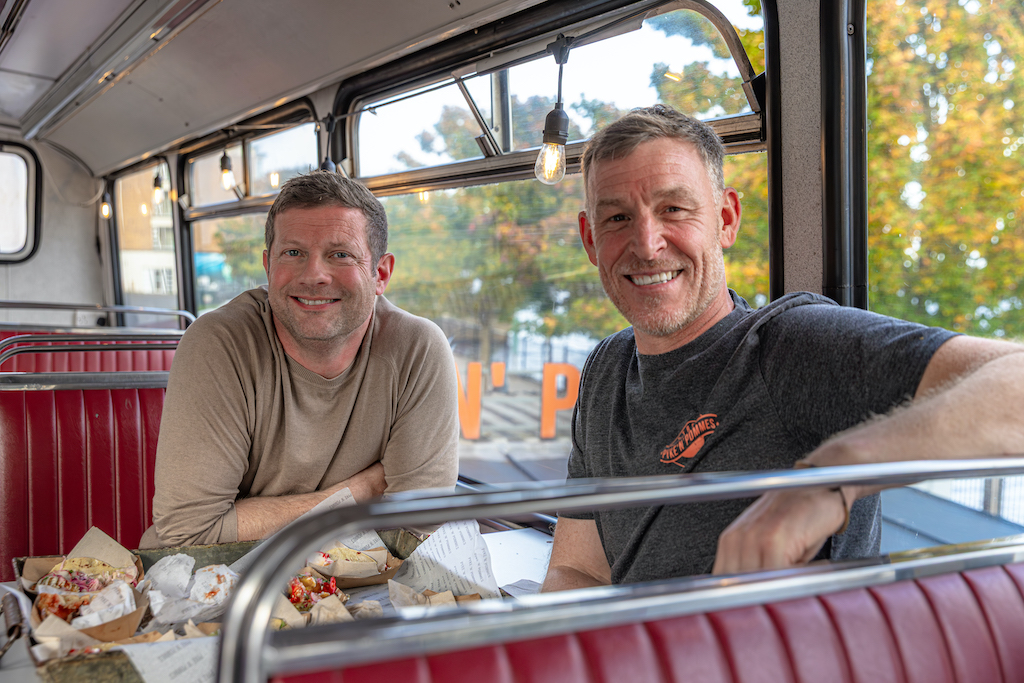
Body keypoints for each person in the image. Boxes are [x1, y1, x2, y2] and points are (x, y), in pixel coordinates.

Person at [541, 105, 1024, 590]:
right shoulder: (606, 369)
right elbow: (578, 568)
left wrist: (832, 478)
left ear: (726, 219)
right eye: (619, 217)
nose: (646, 244)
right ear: (589, 240)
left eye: (673, 209)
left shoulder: (790, 347)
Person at [140, 171, 459, 548]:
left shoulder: (417, 349)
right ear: (268, 266)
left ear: (380, 273)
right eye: (294, 253)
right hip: (216, 583)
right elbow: (190, 533)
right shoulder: (219, 342)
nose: (314, 275)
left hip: (362, 588)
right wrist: (361, 490)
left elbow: (413, 530)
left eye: (340, 255)